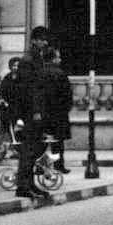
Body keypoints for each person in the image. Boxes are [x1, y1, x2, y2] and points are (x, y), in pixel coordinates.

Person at [14, 26, 52, 199]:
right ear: (34, 40)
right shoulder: (28, 60)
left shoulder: (36, 58)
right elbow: (29, 89)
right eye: (42, 39)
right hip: (31, 112)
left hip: (36, 111)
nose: (45, 42)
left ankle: (30, 184)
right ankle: (23, 186)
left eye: (45, 39)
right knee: (29, 150)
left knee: (34, 150)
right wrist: (35, 111)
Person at [41, 45, 73, 174]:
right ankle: (59, 165)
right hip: (59, 113)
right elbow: (67, 95)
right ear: (53, 59)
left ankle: (40, 165)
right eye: (58, 57)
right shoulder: (60, 74)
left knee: (41, 142)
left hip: (43, 112)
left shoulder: (39, 72)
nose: (60, 60)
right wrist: (66, 108)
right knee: (58, 142)